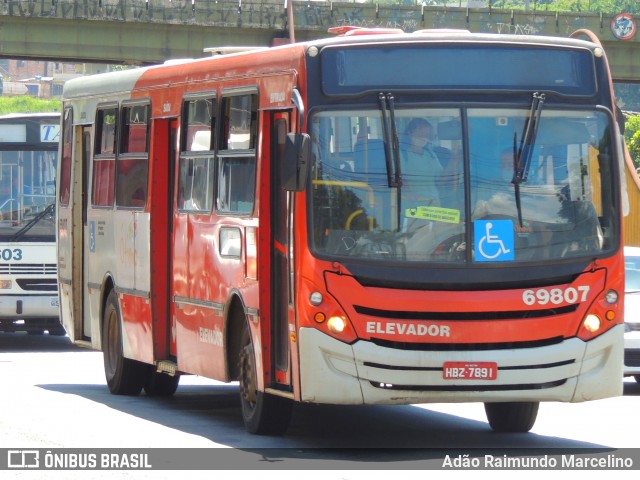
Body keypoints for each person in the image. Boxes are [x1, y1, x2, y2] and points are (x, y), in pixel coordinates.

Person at [401, 118, 443, 210]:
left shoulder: (431, 154)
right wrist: (410, 195)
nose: (424, 138)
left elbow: (440, 178)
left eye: (427, 135)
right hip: (413, 208)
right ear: (410, 133)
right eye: (420, 134)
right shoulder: (402, 154)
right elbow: (401, 179)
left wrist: (454, 162)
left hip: (433, 204)